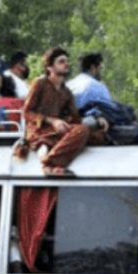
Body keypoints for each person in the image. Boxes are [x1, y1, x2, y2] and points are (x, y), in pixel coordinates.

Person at [16, 47, 90, 177]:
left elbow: (76, 119)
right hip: (38, 132)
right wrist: (52, 120)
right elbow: (26, 112)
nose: (66, 64)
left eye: (67, 61)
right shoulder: (40, 84)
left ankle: (54, 161)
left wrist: (98, 120)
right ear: (49, 67)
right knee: (82, 131)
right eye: (61, 61)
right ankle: (50, 164)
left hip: (57, 133)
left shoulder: (66, 92)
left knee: (94, 134)